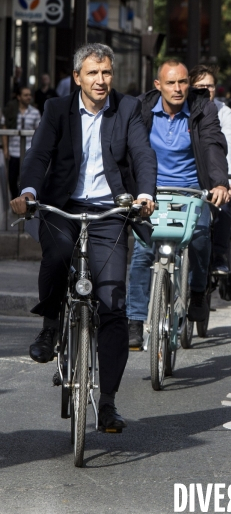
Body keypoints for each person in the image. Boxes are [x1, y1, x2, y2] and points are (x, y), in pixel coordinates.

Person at [10, 43, 157, 431]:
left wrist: (146, 194)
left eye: (106, 73)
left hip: (110, 212)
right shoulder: (57, 110)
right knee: (57, 258)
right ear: (77, 77)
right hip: (64, 206)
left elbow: (142, 154)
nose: (101, 80)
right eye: (93, 73)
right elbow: (39, 155)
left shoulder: (126, 109)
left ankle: (107, 402)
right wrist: (28, 192)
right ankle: (50, 324)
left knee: (113, 304)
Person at [126, 59, 230, 348]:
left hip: (191, 190)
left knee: (200, 236)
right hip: (151, 191)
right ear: (158, 85)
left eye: (183, 81)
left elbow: (212, 145)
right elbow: (128, 147)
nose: (178, 88)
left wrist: (219, 182)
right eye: (170, 82)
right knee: (143, 252)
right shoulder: (141, 107)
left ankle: (198, 291)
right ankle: (134, 320)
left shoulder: (202, 107)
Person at [189, 64, 231, 273]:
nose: (206, 90)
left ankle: (219, 255)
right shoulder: (185, 109)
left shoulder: (225, 113)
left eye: (210, 86)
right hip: (190, 174)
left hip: (215, 173)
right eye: (200, 86)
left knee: (224, 206)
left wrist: (227, 182)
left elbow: (228, 149)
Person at [1, 86, 41, 199]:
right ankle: (15, 200)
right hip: (14, 151)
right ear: (19, 97)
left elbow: (39, 131)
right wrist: (5, 149)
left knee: (27, 178)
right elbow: (5, 128)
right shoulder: (11, 111)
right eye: (26, 95)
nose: (29, 97)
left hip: (29, 150)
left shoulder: (35, 112)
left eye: (30, 95)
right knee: (12, 179)